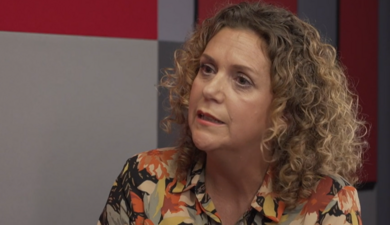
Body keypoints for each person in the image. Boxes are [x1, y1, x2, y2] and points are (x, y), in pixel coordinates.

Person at [98, 1, 367, 225]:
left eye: (242, 80)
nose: (210, 90)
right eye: (207, 69)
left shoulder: (328, 203)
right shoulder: (143, 178)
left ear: (284, 112)